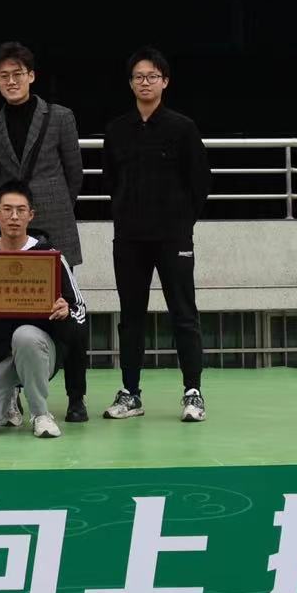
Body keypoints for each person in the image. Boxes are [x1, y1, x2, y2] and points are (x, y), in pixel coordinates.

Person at [101, 47, 213, 423]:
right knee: (130, 317)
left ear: (165, 81)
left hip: (173, 238)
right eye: (138, 77)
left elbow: (200, 182)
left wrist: (181, 223)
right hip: (129, 239)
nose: (145, 82)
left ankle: (193, 392)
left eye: (152, 76)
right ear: (130, 83)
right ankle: (130, 393)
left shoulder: (183, 128)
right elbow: (110, 181)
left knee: (184, 314)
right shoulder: (117, 130)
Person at [0, 41, 89, 422]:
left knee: (69, 313)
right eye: (3, 76)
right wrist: (15, 212)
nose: (11, 81)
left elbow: (74, 173)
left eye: (17, 74)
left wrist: (52, 206)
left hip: (55, 224)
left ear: (31, 76)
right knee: (10, 310)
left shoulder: (60, 117)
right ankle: (13, 393)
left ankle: (76, 397)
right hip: (12, 227)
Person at [0, 181, 88, 439]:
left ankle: (40, 414)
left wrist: (65, 313)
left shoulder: (51, 257)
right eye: (7, 209)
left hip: (39, 352)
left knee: (25, 335)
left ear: (31, 215)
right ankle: (7, 400)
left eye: (21, 210)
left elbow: (80, 313)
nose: (14, 217)